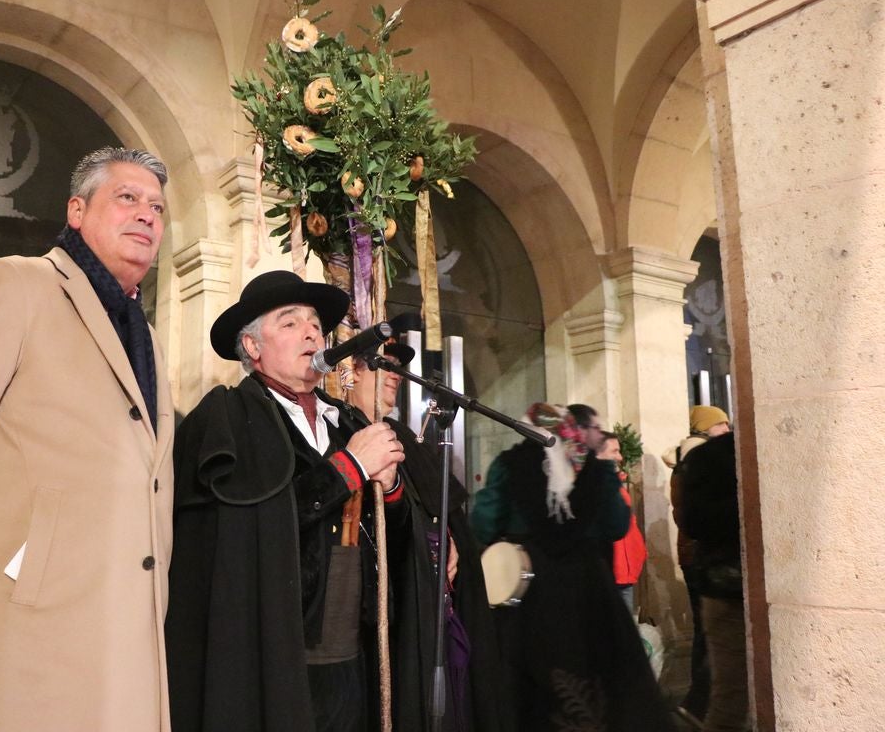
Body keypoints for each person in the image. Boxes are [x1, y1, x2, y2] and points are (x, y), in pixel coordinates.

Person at [0, 147, 175, 731]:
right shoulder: (17, 285)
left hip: (123, 619)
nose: (147, 215)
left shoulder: (144, 331)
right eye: (127, 198)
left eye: (158, 207)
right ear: (76, 210)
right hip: (26, 622)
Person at [166, 270, 408, 732]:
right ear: (253, 347)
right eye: (290, 322)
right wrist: (348, 470)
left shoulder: (348, 423)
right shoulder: (227, 419)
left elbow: (392, 541)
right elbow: (247, 531)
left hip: (355, 657)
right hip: (272, 655)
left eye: (316, 323)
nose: (312, 331)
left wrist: (391, 490)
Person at [470, 403, 674, 731]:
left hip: (531, 596)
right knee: (600, 683)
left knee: (530, 690)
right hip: (590, 593)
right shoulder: (594, 469)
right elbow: (616, 525)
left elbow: (483, 524)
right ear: (572, 431)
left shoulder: (509, 465)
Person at [345, 344, 504, 732]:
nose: (396, 374)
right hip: (381, 606)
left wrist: (450, 540)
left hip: (433, 599)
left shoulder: (402, 436)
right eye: (381, 364)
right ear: (351, 371)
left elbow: (438, 508)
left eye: (398, 367)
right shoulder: (339, 430)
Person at [666, 405, 731, 728]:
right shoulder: (701, 461)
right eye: (721, 424)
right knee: (709, 637)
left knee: (708, 636)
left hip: (703, 560)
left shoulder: (693, 460)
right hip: (706, 562)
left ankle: (699, 700)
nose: (727, 428)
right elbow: (690, 517)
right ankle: (698, 700)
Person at [678, 431, 747, 732]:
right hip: (726, 588)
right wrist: (750, 499)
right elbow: (694, 520)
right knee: (732, 693)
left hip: (730, 584)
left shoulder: (706, 456)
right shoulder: (709, 456)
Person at [599, 431, 646, 616]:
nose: (620, 457)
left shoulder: (615, 483)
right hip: (611, 572)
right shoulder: (595, 486)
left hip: (625, 570)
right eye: (614, 451)